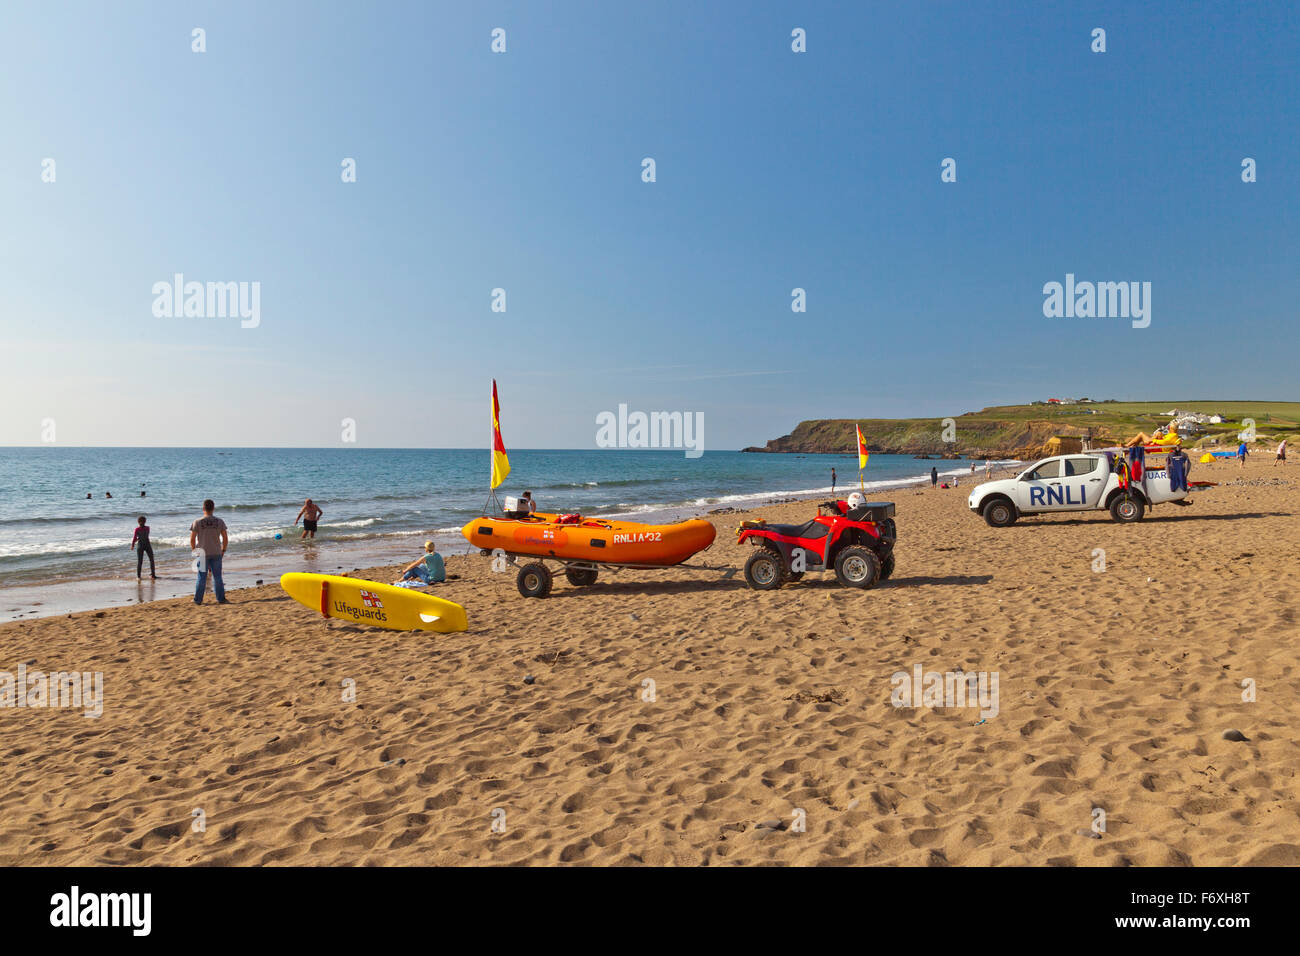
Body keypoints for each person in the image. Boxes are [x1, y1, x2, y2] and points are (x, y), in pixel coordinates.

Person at [189, 499, 229, 605]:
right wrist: (223, 549)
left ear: (203, 509)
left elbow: (192, 539)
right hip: (216, 552)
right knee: (217, 577)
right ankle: (221, 599)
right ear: (213, 508)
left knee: (201, 577)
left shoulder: (197, 522)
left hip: (202, 553)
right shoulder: (220, 521)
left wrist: (194, 550)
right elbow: (225, 537)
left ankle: (198, 600)